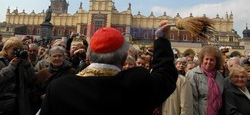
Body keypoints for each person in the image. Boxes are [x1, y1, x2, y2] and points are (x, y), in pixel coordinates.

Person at [39, 20, 178, 115]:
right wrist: (162, 40)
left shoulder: (59, 88)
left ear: (89, 55)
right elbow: (166, 75)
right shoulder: (138, 83)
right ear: (124, 58)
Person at [0, 37, 35, 115]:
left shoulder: (23, 63)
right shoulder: (1, 62)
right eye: (15, 49)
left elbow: (31, 80)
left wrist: (28, 65)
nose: (17, 52)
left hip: (20, 104)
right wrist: (11, 67)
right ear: (6, 50)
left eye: (20, 49)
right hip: (4, 105)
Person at [186, 45, 224, 115]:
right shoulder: (193, 74)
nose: (209, 62)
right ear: (202, 59)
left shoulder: (219, 76)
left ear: (216, 62)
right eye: (206, 59)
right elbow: (191, 101)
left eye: (212, 60)